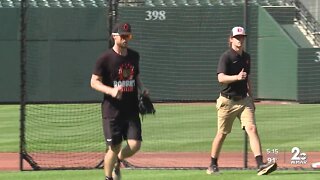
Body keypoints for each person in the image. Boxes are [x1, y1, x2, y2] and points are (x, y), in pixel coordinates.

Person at [206, 26, 277, 176]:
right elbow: (220, 78)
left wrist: (251, 97)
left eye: (242, 37)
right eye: (237, 37)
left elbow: (248, 78)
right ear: (231, 39)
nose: (240, 39)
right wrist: (236, 78)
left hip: (244, 100)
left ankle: (260, 165)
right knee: (222, 134)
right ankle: (212, 164)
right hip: (227, 101)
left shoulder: (246, 57)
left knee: (252, 129)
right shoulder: (226, 57)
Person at [91, 22, 148, 180]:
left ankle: (117, 161)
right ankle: (108, 177)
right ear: (114, 37)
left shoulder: (134, 56)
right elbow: (94, 82)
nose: (126, 39)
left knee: (135, 145)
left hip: (131, 109)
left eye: (128, 36)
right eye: (123, 36)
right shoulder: (105, 58)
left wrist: (142, 88)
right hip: (112, 111)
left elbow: (135, 76)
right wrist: (111, 90)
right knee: (114, 147)